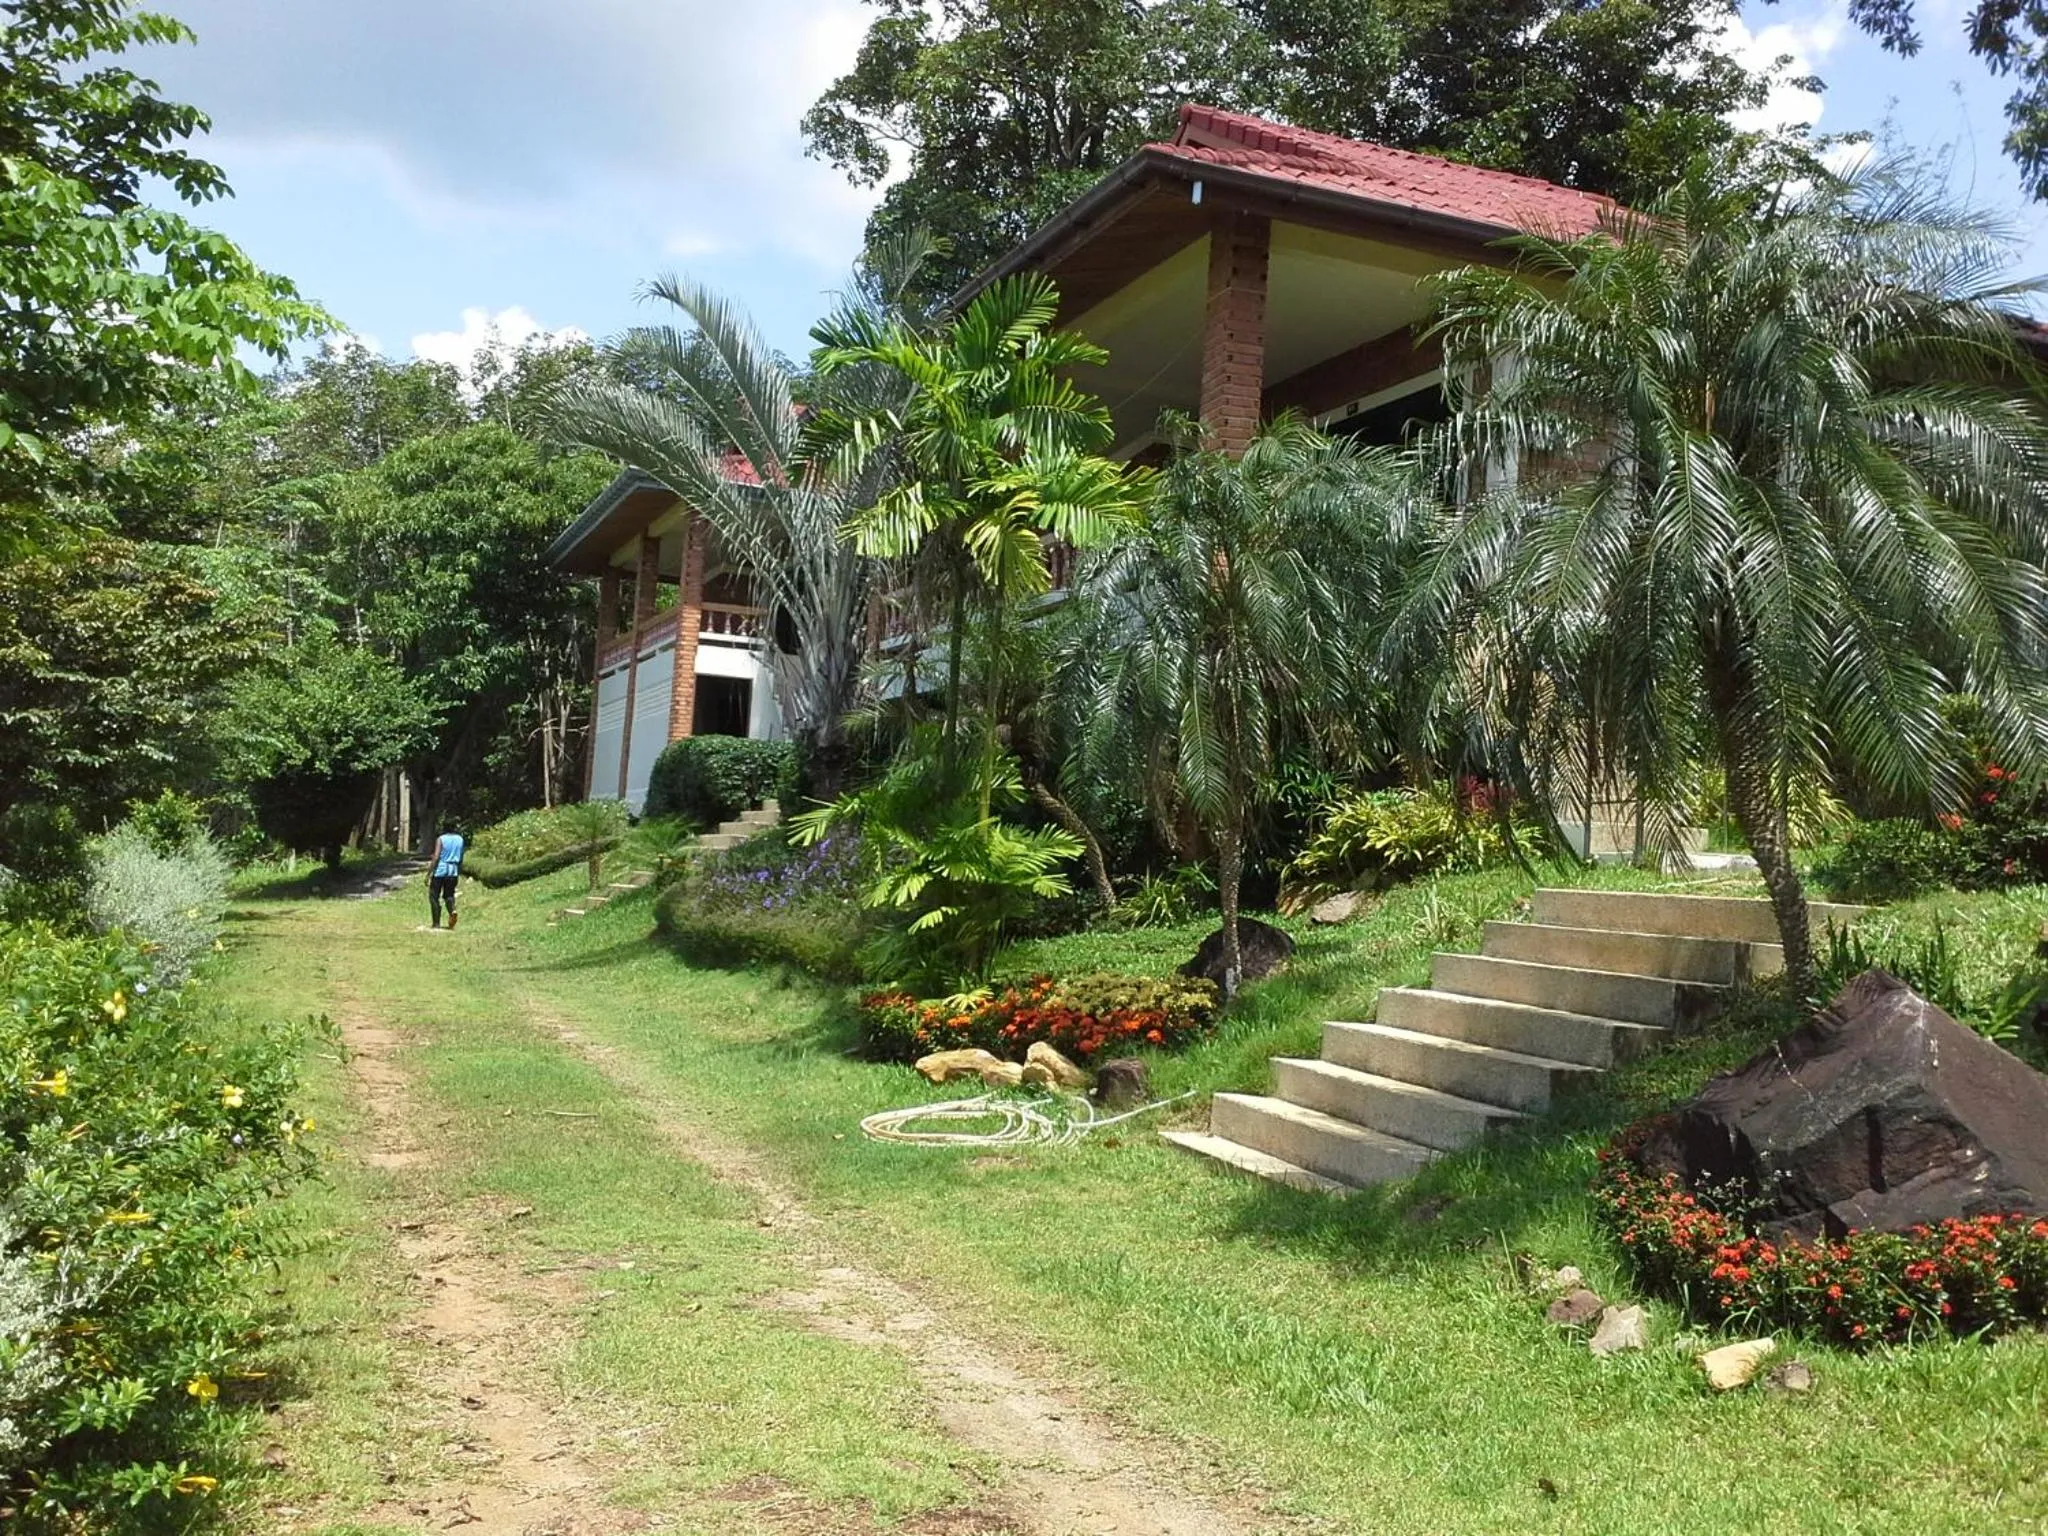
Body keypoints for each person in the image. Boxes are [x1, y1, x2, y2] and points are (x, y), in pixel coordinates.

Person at [428, 825, 465, 929]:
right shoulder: (460, 839)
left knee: (434, 896)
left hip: (440, 870)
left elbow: (436, 856)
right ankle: (452, 910)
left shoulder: (441, 839)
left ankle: (436, 923)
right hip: (453, 871)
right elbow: (461, 857)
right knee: (449, 895)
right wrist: (459, 871)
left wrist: (429, 873)